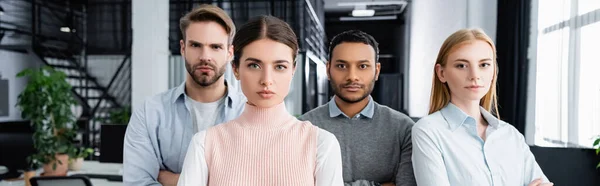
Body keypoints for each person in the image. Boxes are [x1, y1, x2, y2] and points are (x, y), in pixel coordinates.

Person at [177, 15, 344, 186]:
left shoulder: (321, 144)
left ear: (293, 69)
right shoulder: (205, 144)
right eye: (254, 65)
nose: (266, 79)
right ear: (235, 69)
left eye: (280, 67)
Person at [411, 28, 553, 186]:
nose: (475, 75)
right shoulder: (428, 131)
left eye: (484, 64)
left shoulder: (511, 135)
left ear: (493, 71)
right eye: (461, 66)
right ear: (441, 73)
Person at [123, 4, 245, 186]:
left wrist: (171, 179)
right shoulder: (150, 113)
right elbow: (137, 183)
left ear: (229, 53)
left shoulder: (248, 112)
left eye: (216, 47)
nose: (205, 56)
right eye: (196, 45)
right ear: (182, 48)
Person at [299, 30, 416, 186]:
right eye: (341, 65)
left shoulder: (404, 129)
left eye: (363, 66)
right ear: (328, 70)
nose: (352, 76)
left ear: (377, 71)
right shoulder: (304, 127)